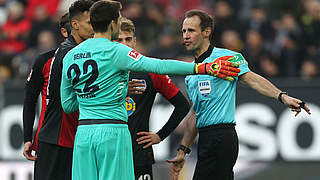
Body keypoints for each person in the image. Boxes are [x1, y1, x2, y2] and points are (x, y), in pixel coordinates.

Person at [60, 1, 240, 180]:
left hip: (83, 134)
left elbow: (67, 105)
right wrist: (203, 68)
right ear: (113, 23)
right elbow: (159, 65)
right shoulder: (115, 51)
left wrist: (96, 95)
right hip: (112, 131)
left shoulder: (70, 56)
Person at [167, 9, 312, 180]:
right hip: (205, 139)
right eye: (184, 31)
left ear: (207, 32)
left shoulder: (227, 57)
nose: (185, 35)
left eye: (191, 30)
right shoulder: (191, 72)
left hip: (222, 136)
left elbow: (253, 79)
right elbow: (195, 113)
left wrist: (282, 96)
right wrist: (183, 149)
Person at [117, 17, 190, 180]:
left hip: (139, 154)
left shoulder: (150, 70)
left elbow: (182, 106)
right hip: (108, 152)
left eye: (128, 39)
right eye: (118, 40)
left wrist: (160, 135)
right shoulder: (101, 71)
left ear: (134, 41)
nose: (124, 44)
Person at [29, 1, 94, 180]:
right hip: (56, 138)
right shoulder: (66, 55)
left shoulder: (83, 52)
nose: (94, 28)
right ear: (73, 27)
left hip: (76, 138)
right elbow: (32, 99)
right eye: (89, 23)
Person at [23, 12, 70, 160]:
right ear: (65, 32)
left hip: (84, 140)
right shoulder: (44, 61)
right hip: (49, 141)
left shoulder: (96, 60)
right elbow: (30, 99)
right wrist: (27, 138)